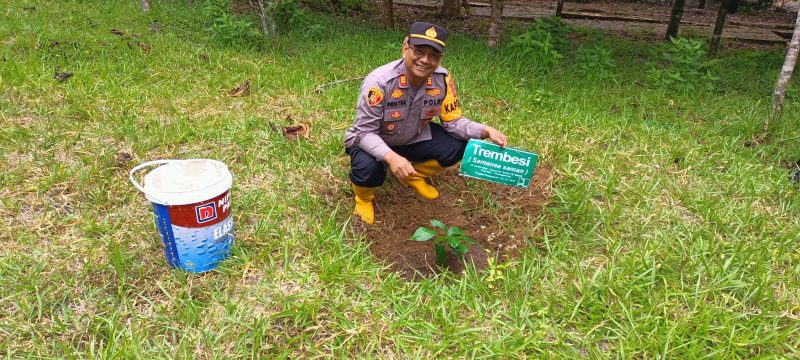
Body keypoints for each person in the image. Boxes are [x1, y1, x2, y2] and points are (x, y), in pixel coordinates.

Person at [343, 22, 508, 224]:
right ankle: (363, 198)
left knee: (459, 146)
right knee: (368, 170)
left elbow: (453, 120)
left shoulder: (443, 79)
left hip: (413, 137)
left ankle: (412, 175)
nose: (425, 60)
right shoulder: (379, 82)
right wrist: (392, 158)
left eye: (433, 55)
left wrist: (484, 130)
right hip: (374, 141)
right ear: (406, 47)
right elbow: (364, 132)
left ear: (441, 58)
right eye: (419, 51)